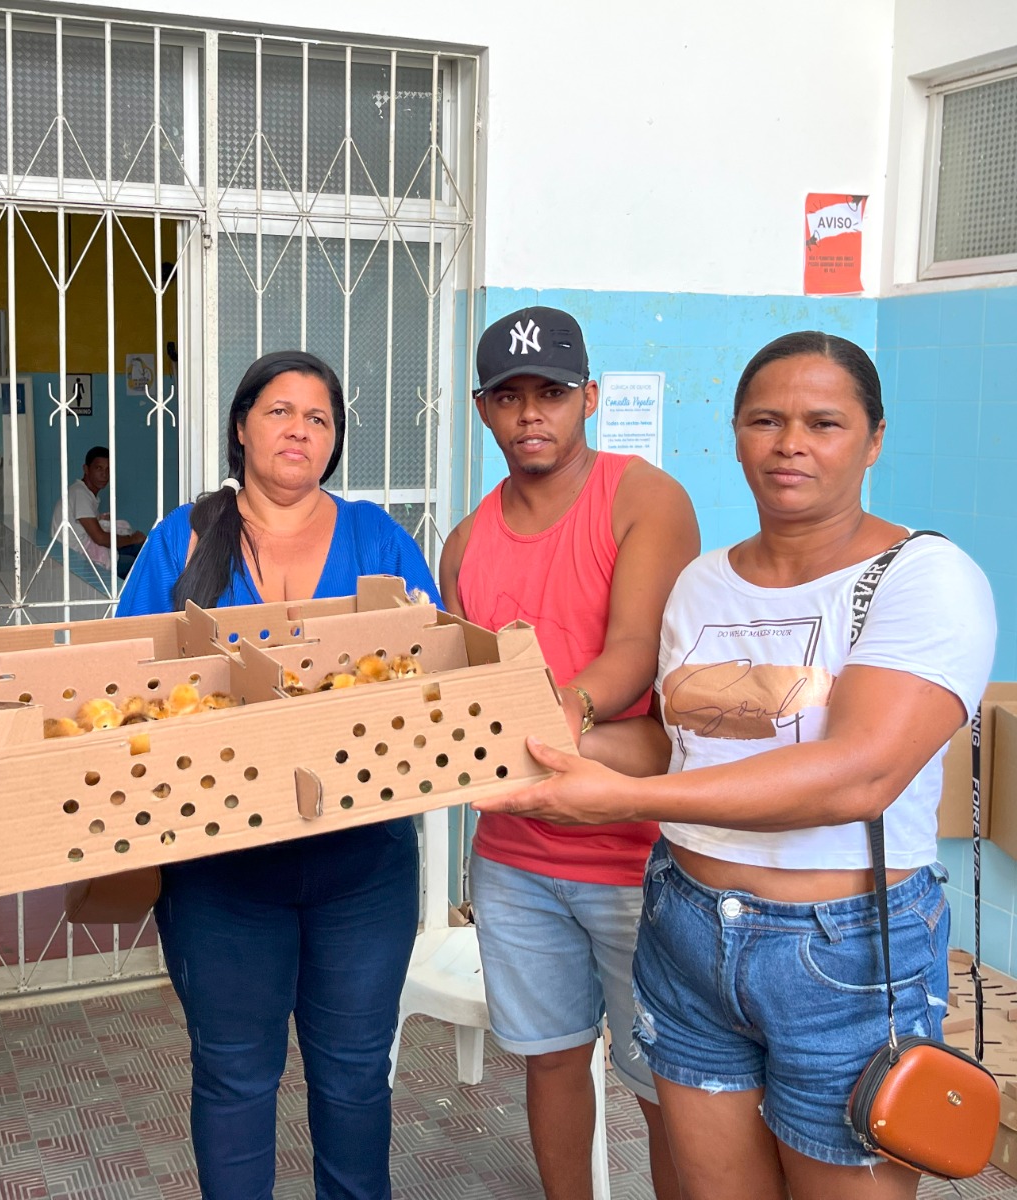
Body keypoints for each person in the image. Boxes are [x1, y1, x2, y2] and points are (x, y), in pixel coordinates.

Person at [476, 331, 996, 1200]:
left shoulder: (926, 577)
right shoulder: (705, 583)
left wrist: (623, 799)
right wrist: (540, 747)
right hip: (684, 928)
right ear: (736, 433)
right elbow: (675, 741)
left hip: (844, 952)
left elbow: (858, 773)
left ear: (872, 440)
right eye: (766, 420)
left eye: (823, 422)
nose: (790, 442)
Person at [117, 350, 439, 1200]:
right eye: (279, 411)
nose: (299, 429)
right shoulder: (181, 539)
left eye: (319, 418)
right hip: (221, 869)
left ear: (334, 442)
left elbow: (432, 669)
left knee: (357, 1077)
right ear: (240, 426)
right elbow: (123, 690)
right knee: (233, 1079)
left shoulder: (379, 538)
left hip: (362, 863)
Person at [438, 306, 697, 1200]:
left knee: (668, 1086)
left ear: (587, 397)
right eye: (509, 397)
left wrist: (564, 708)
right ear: (484, 411)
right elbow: (462, 696)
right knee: (550, 1064)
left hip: (636, 854)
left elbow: (636, 656)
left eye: (551, 392)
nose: (531, 414)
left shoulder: (640, 497)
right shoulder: (465, 540)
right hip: (513, 858)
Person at [52, 444, 146, 580]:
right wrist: (132, 538)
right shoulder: (80, 493)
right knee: (137, 564)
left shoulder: (86, 493)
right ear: (86, 469)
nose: (104, 474)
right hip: (78, 561)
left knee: (139, 550)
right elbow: (100, 538)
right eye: (99, 468)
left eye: (108, 469)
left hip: (87, 552)